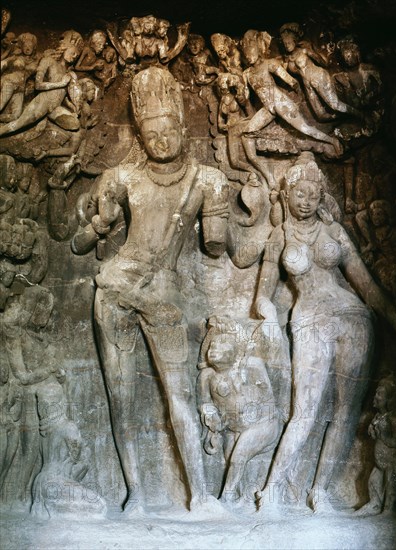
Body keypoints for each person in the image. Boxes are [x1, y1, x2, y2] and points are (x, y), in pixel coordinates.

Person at [71, 66, 229, 516]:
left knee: (179, 394)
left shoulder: (206, 180)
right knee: (123, 397)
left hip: (165, 299)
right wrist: (98, 224)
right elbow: (80, 242)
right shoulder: (122, 178)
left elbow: (218, 246)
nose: (161, 140)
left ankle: (200, 494)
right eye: (151, 134)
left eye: (168, 130)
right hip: (117, 290)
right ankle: (136, 494)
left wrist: (241, 214)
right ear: (140, 135)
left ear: (183, 126)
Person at [254, 151, 396, 513]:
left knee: (345, 412)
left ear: (322, 197)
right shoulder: (279, 235)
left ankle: (319, 492)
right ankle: (271, 490)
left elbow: (363, 283)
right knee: (303, 412)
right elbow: (262, 294)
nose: (306, 202)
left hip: (353, 319)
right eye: (299, 194)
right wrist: (270, 317)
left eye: (313, 195)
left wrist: (395, 318)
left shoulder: (334, 231)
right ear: (287, 195)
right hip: (308, 318)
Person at [240, 30, 343, 189]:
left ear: (259, 50)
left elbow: (290, 80)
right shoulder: (246, 73)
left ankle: (332, 140)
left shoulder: (270, 64)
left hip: (279, 102)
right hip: (267, 108)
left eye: (251, 51)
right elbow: (245, 96)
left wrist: (298, 93)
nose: (249, 56)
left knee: (305, 129)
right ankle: (267, 176)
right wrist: (240, 94)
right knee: (247, 134)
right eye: (246, 53)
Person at [198, 316, 281, 503]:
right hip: (232, 427)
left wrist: (243, 381)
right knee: (230, 458)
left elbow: (268, 393)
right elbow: (204, 401)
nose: (213, 351)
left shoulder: (251, 365)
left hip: (262, 423)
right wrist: (210, 414)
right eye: (211, 348)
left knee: (238, 455)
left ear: (236, 350)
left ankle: (226, 498)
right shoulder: (207, 375)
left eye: (221, 347)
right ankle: (242, 496)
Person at [0, 30, 83, 137]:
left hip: (54, 106)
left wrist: (72, 107)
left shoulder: (67, 72)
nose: (74, 56)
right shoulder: (48, 61)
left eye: (77, 56)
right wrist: (61, 84)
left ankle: (44, 124)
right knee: (16, 125)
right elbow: (38, 85)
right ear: (64, 48)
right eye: (73, 52)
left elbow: (62, 95)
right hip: (42, 103)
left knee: (75, 124)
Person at [355, 376, 396, 515]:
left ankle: (388, 510)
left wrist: (381, 433)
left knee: (391, 488)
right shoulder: (378, 417)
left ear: (390, 399)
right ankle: (374, 504)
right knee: (373, 482)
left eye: (379, 394)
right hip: (381, 464)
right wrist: (373, 432)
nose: (375, 397)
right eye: (376, 393)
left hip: (395, 464)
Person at [280, 23, 363, 121]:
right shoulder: (287, 59)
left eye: (289, 42)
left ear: (294, 41)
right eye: (284, 43)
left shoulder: (304, 51)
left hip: (318, 76)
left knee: (334, 105)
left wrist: (312, 49)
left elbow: (323, 62)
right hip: (307, 84)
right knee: (320, 116)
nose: (287, 46)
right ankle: (345, 118)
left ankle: (360, 115)